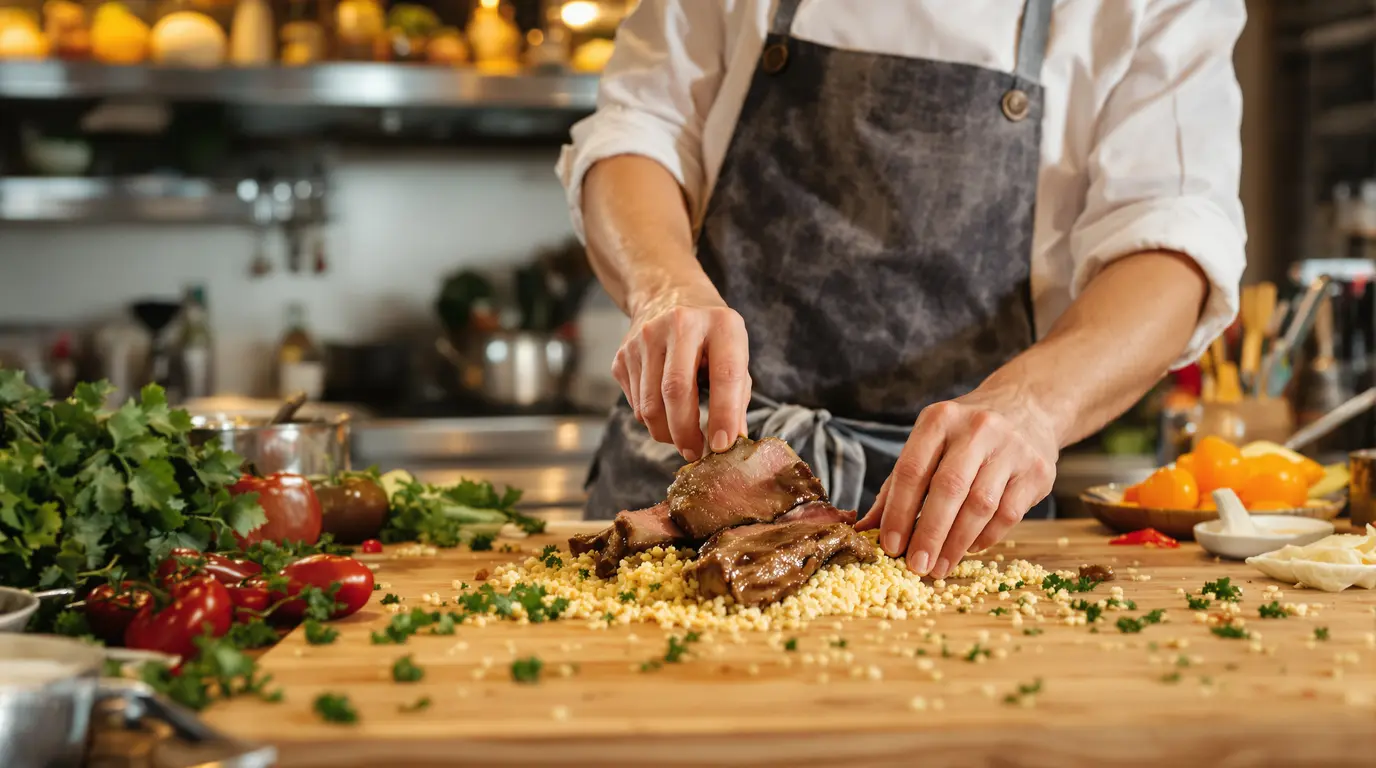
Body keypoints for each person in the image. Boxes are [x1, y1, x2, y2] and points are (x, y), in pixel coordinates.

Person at [558, 0, 1247, 579]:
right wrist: (664, 287)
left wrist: (1033, 405)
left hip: (959, 519)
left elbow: (1173, 236)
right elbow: (638, 129)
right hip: (697, 471)